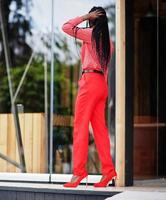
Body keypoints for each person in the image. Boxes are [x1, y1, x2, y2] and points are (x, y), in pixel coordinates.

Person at [61, 6, 117, 188]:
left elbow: (66, 27)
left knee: (80, 127)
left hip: (90, 82)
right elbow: (106, 70)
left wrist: (85, 16)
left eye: (91, 17)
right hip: (102, 84)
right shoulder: (109, 42)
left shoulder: (91, 34)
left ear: (93, 19)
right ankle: (108, 171)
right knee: (100, 130)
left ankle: (78, 173)